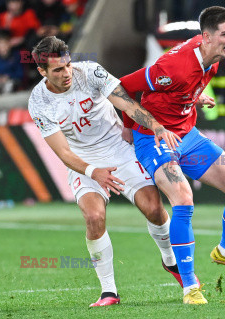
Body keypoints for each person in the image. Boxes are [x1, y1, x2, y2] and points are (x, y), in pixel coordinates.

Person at [28, 36, 184, 307]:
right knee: (94, 216)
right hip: (82, 160)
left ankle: (170, 261)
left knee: (154, 209)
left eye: (67, 65)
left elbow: (127, 104)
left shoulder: (90, 72)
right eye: (57, 70)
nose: (66, 73)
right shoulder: (39, 102)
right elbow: (63, 153)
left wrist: (157, 126)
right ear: (42, 72)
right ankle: (109, 292)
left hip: (119, 149)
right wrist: (93, 171)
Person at [120, 6, 225, 305]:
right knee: (183, 199)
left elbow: (179, 90)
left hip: (188, 135)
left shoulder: (214, 57)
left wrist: (196, 97)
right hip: (155, 139)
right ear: (205, 37)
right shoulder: (173, 66)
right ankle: (190, 286)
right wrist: (130, 126)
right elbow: (123, 88)